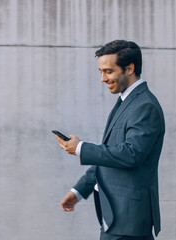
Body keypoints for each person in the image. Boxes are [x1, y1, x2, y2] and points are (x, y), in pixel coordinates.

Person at [55, 40, 165, 240]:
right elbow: (110, 153)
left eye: (108, 71)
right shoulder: (127, 101)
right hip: (117, 218)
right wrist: (79, 190)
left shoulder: (144, 106)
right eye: (101, 71)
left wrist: (81, 148)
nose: (102, 78)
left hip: (128, 221)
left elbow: (131, 154)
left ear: (129, 68)